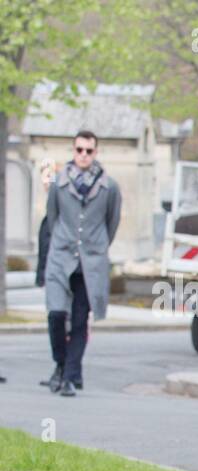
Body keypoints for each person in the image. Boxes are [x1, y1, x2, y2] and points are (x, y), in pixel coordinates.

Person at [41, 132, 120, 396]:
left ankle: (71, 377)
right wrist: (63, 243)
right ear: (73, 151)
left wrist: (95, 247)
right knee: (55, 314)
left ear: (95, 152)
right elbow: (52, 218)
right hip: (61, 258)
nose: (84, 155)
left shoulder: (110, 187)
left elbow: (112, 223)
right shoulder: (58, 183)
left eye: (89, 150)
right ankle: (61, 365)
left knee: (78, 321)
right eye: (79, 150)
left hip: (91, 262)